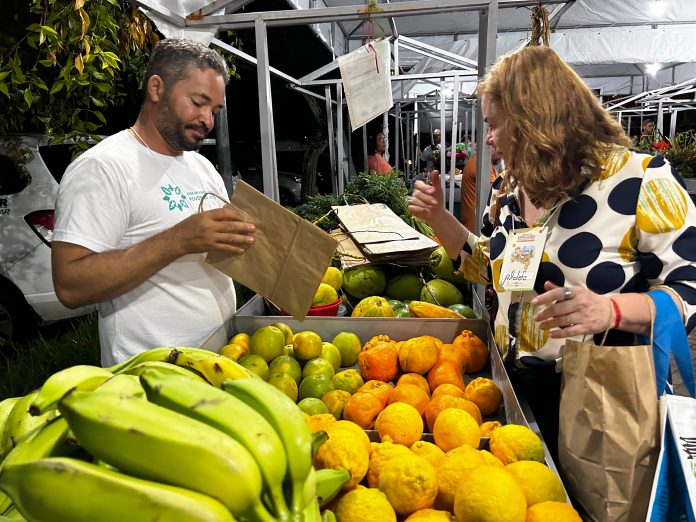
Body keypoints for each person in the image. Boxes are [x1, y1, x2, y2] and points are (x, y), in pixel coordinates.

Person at [409, 45, 696, 464]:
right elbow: (494, 269)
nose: (488, 139)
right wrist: (439, 219)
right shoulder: (510, 187)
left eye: (493, 125)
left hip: (602, 400)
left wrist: (611, 311)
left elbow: (689, 286)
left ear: (531, 118)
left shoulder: (641, 181)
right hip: (516, 391)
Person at [51, 38, 257, 367]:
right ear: (157, 88)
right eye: (198, 102)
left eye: (214, 110)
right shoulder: (103, 168)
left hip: (218, 364)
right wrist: (179, 240)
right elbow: (70, 286)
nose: (208, 120)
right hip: (150, 381)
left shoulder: (202, 167)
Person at [459, 150, 501, 231]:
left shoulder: (478, 160)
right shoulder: (481, 164)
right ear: (491, 148)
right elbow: (497, 192)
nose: (501, 156)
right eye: (499, 152)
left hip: (475, 222)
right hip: (477, 225)